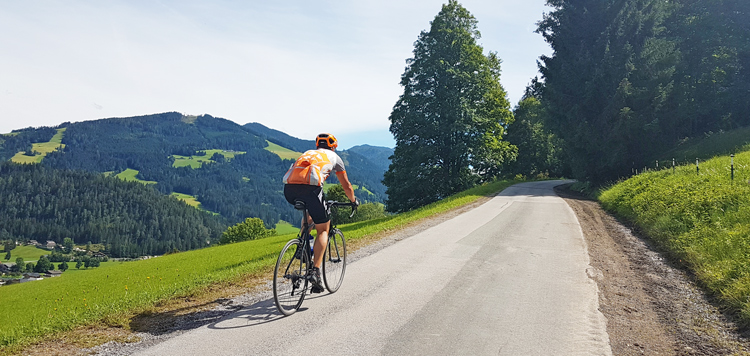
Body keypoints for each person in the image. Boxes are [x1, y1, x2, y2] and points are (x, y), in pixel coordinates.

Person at [283, 133, 358, 293]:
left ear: (318, 145)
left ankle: (303, 245)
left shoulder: (308, 153)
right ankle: (315, 272)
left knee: (310, 215)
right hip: (311, 189)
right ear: (333, 146)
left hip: (289, 190)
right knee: (323, 228)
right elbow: (346, 186)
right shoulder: (335, 157)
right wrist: (353, 201)